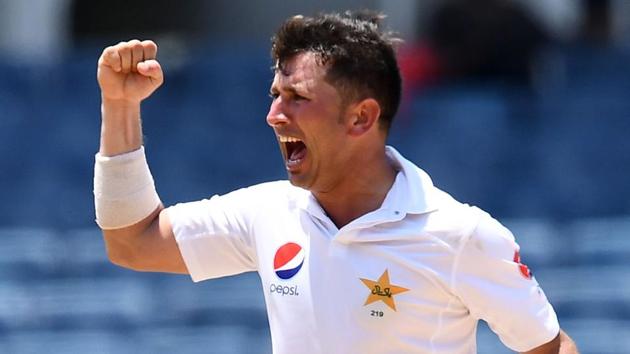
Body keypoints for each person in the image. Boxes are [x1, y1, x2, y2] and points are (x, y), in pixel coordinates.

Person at [94, 11, 578, 354]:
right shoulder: (268, 212)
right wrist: (120, 106)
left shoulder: (460, 234)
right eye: (274, 95)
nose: (272, 115)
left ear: (362, 118)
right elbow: (133, 243)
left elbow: (548, 346)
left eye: (296, 98)